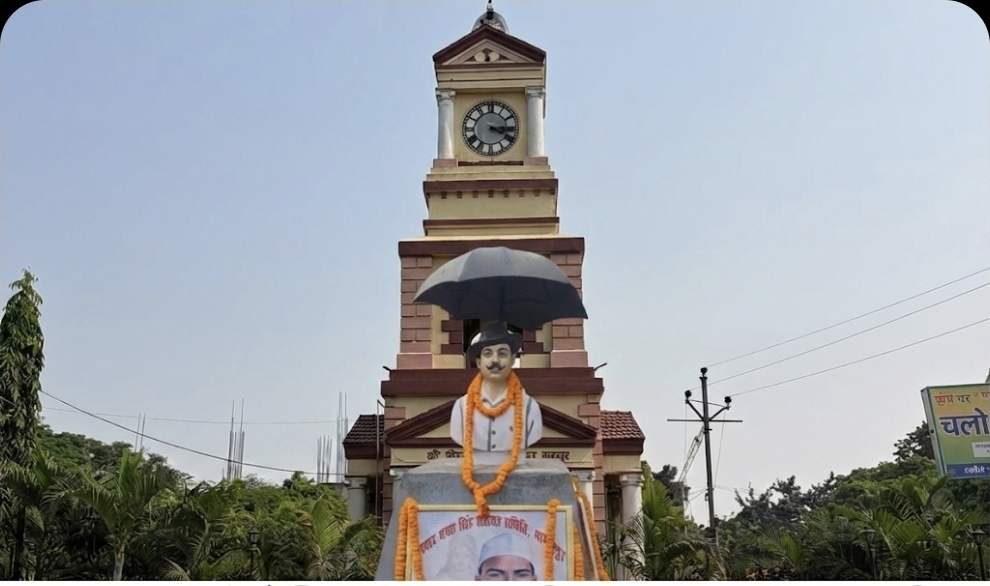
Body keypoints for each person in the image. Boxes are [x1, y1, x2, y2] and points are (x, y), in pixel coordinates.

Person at [449, 321, 543, 466]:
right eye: (488, 353)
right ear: (479, 362)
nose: (495, 360)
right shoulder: (461, 408)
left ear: (512, 359)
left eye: (502, 353)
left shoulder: (530, 408)